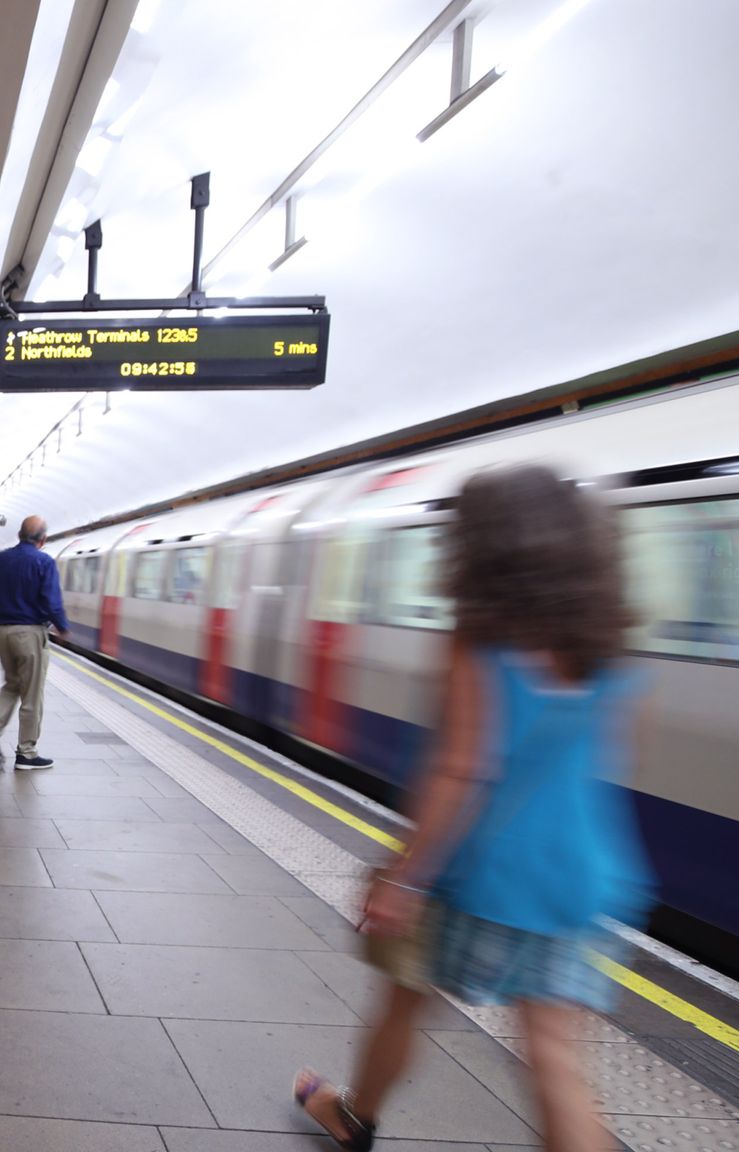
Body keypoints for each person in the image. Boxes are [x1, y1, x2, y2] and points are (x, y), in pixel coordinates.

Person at [293, 464, 651, 1152]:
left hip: (483, 872)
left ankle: (353, 1114)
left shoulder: (482, 639)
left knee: (404, 996)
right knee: (556, 1058)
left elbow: (462, 769)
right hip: (583, 874)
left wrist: (403, 875)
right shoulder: (612, 641)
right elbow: (617, 756)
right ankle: (352, 1111)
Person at [0, 516, 69, 769]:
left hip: (2, 632)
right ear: (43, 539)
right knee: (32, 693)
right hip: (30, 633)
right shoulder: (44, 561)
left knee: (13, 683)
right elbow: (51, 600)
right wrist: (62, 626)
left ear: (18, 535)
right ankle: (27, 752)